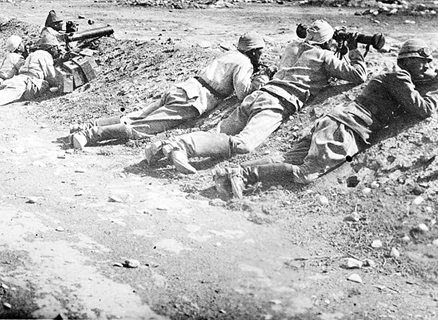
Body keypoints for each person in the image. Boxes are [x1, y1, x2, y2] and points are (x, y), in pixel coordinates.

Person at [214, 38, 438, 198]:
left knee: (289, 159)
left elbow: (420, 84)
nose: (427, 67)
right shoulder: (399, 77)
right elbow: (424, 108)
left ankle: (228, 174)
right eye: (423, 61)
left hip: (336, 122)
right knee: (305, 174)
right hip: (347, 128)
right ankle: (242, 175)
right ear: (407, 61)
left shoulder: (395, 76)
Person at [145, 20, 368, 174]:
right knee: (244, 144)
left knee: (219, 132)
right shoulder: (324, 55)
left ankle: (166, 146)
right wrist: (354, 50)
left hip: (258, 95)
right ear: (327, 41)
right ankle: (183, 146)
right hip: (278, 103)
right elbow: (358, 75)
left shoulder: (292, 48)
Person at [69, 32, 272, 153]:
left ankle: (86, 126)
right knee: (145, 128)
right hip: (195, 99)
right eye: (260, 53)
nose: (260, 57)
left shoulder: (229, 54)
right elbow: (242, 93)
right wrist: (260, 79)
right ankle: (91, 134)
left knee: (136, 115)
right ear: (253, 51)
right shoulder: (244, 62)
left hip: (185, 87)